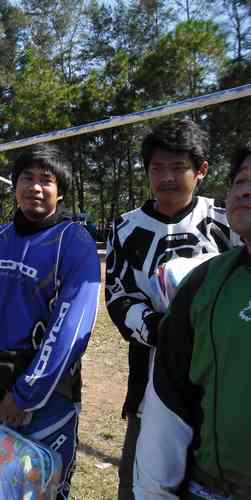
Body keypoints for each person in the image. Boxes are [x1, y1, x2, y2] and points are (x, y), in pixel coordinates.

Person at [105, 118, 240, 500]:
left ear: (201, 170)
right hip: (150, 381)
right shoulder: (126, 228)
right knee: (141, 484)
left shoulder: (226, 218)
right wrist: (160, 329)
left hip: (221, 381)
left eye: (177, 167)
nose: (166, 178)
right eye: (156, 168)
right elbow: (118, 296)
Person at [0, 145, 100, 499]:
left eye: (46, 180)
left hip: (49, 398)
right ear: (15, 185)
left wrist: (26, 394)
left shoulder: (74, 241)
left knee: (43, 489)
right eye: (27, 178)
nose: (35, 187)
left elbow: (71, 330)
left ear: (61, 191)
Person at [134, 143, 251, 499]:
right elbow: (168, 399)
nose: (244, 190)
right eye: (240, 181)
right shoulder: (204, 283)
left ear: (199, 172)